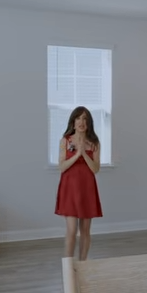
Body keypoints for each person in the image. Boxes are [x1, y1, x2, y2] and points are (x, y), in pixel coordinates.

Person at [55, 106, 103, 260]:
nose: (81, 122)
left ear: (89, 123)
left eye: (85, 119)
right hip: (70, 189)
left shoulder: (94, 143)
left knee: (85, 230)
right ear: (73, 122)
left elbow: (95, 169)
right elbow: (62, 167)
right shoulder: (65, 141)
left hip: (87, 189)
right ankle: (68, 265)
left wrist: (84, 153)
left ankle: (83, 263)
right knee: (71, 230)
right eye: (78, 118)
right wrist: (77, 155)